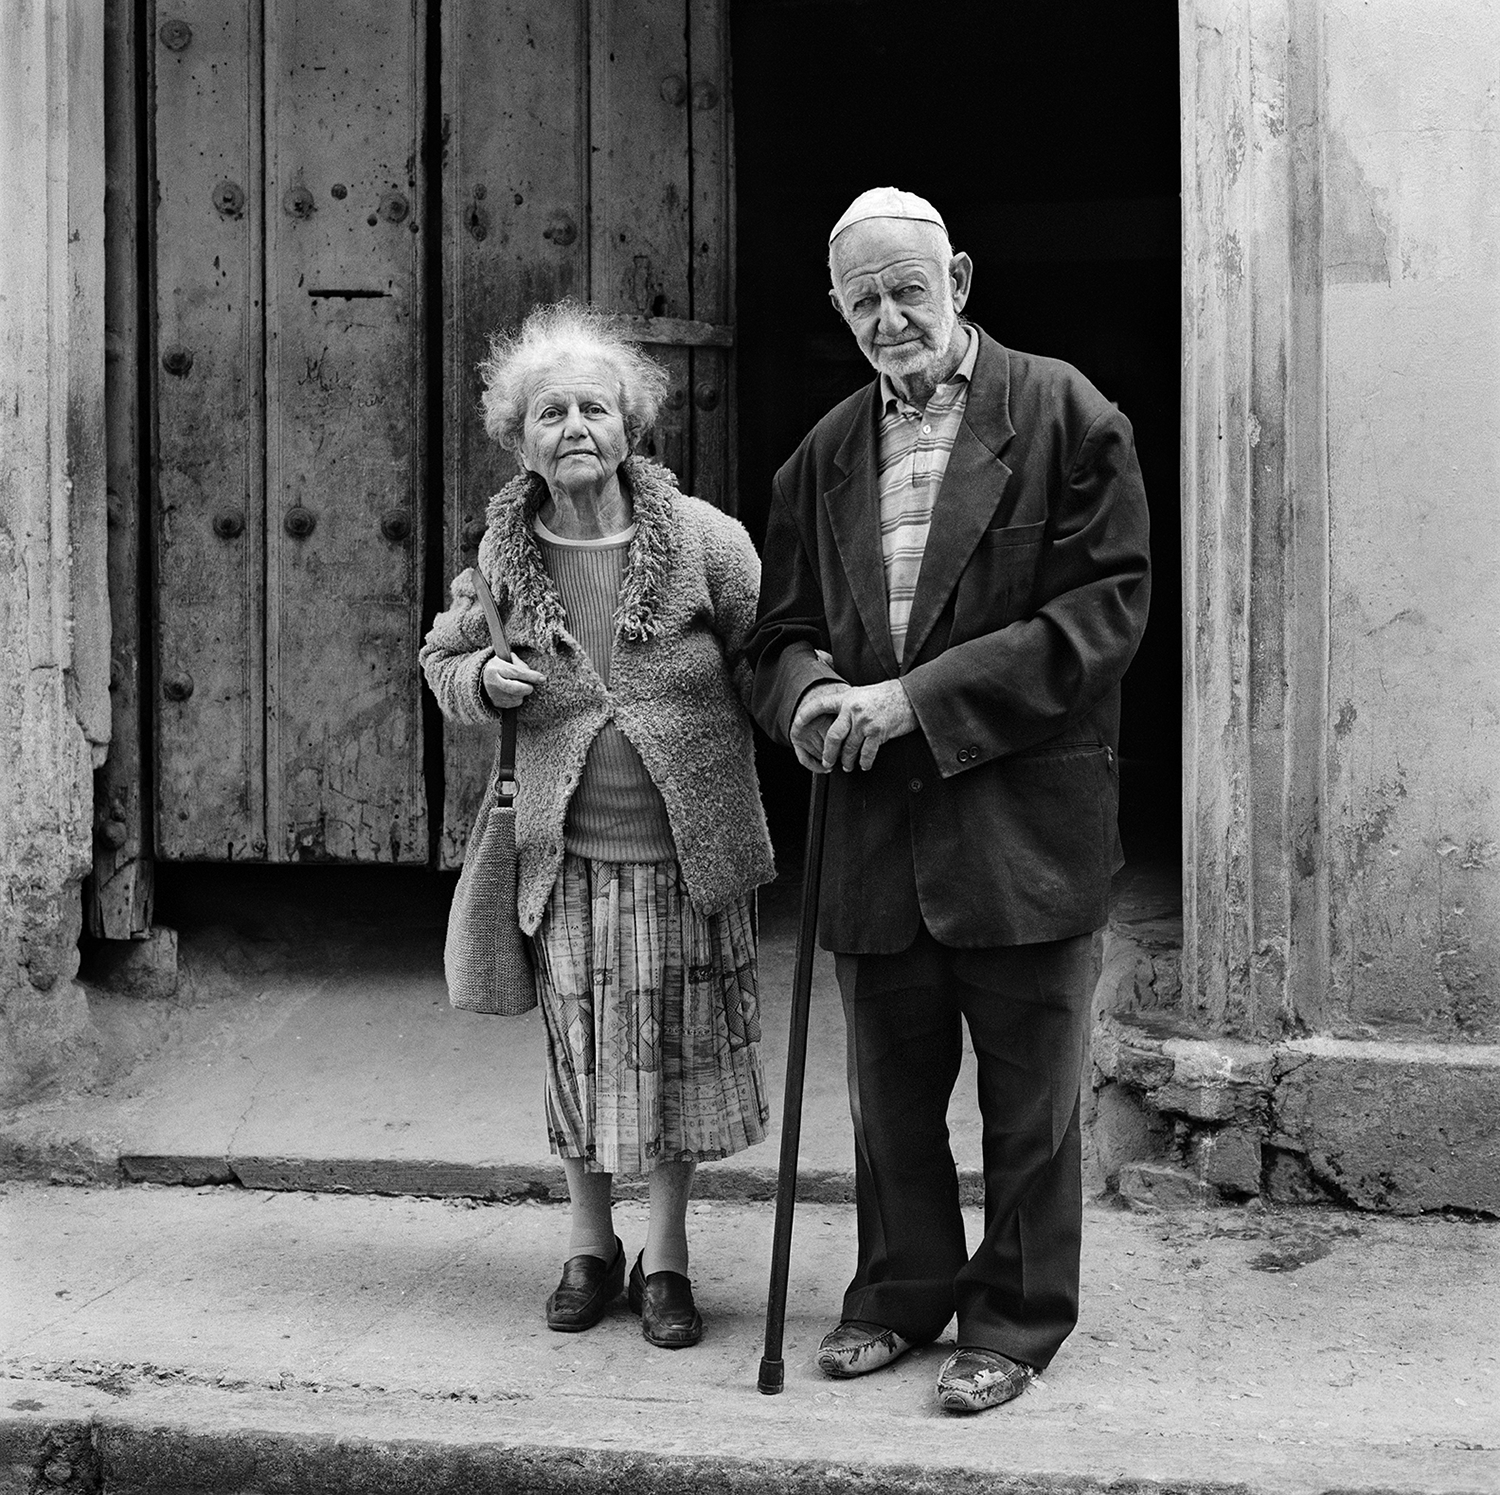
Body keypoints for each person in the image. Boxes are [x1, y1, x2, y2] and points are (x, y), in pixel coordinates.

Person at [746, 188, 1151, 1412]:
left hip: (1022, 826)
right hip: (876, 830)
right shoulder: (821, 455)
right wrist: (811, 695)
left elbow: (1102, 616)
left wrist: (911, 699)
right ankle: (899, 1292)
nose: (888, 318)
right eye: (862, 300)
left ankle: (1016, 1321)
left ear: (959, 279)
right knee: (891, 1098)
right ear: (839, 310)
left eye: (907, 290)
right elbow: (777, 638)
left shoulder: (1069, 417)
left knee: (1030, 1102)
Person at [421, 301, 775, 1350]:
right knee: (579, 1053)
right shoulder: (500, 559)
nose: (573, 425)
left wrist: (811, 713)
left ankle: (665, 1256)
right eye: (549, 412)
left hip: (689, 855)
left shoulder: (707, 540)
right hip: (566, 860)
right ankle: (590, 1244)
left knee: (678, 1055)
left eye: (593, 406)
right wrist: (482, 674)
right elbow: (441, 662)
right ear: (518, 438)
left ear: (631, 425)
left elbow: (772, 651)